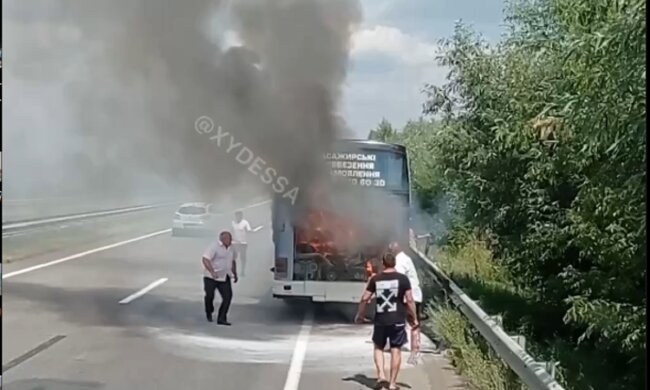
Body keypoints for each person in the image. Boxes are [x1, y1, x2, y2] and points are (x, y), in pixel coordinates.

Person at [355, 252, 419, 390]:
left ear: (383, 264)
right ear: (394, 263)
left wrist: (360, 315)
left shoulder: (375, 279)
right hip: (398, 320)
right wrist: (414, 318)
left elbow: (365, 298)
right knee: (396, 349)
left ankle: (381, 376)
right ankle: (392, 383)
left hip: (381, 320)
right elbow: (409, 300)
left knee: (378, 347)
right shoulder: (403, 279)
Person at [202, 231, 238, 325]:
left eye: (230, 239)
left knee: (227, 297)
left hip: (225, 276)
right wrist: (212, 272)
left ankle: (222, 318)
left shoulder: (232, 248)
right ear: (222, 239)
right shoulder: (214, 247)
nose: (229, 241)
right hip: (211, 277)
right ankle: (209, 311)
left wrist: (235, 273)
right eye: (227, 239)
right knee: (210, 296)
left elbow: (233, 261)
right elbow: (205, 259)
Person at [388, 241, 427, 321]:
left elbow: (400, 280)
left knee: (409, 325)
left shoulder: (399, 260)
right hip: (413, 296)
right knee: (413, 326)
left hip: (409, 298)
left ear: (398, 246)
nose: (390, 247)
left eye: (392, 245)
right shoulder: (404, 258)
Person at [232, 211, 252, 277]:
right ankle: (233, 271)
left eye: (239, 216)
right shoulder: (233, 223)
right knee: (233, 258)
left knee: (243, 258)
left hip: (243, 243)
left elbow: (249, 231)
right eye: (237, 216)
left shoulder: (245, 223)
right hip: (235, 243)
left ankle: (242, 271)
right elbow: (230, 231)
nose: (238, 217)